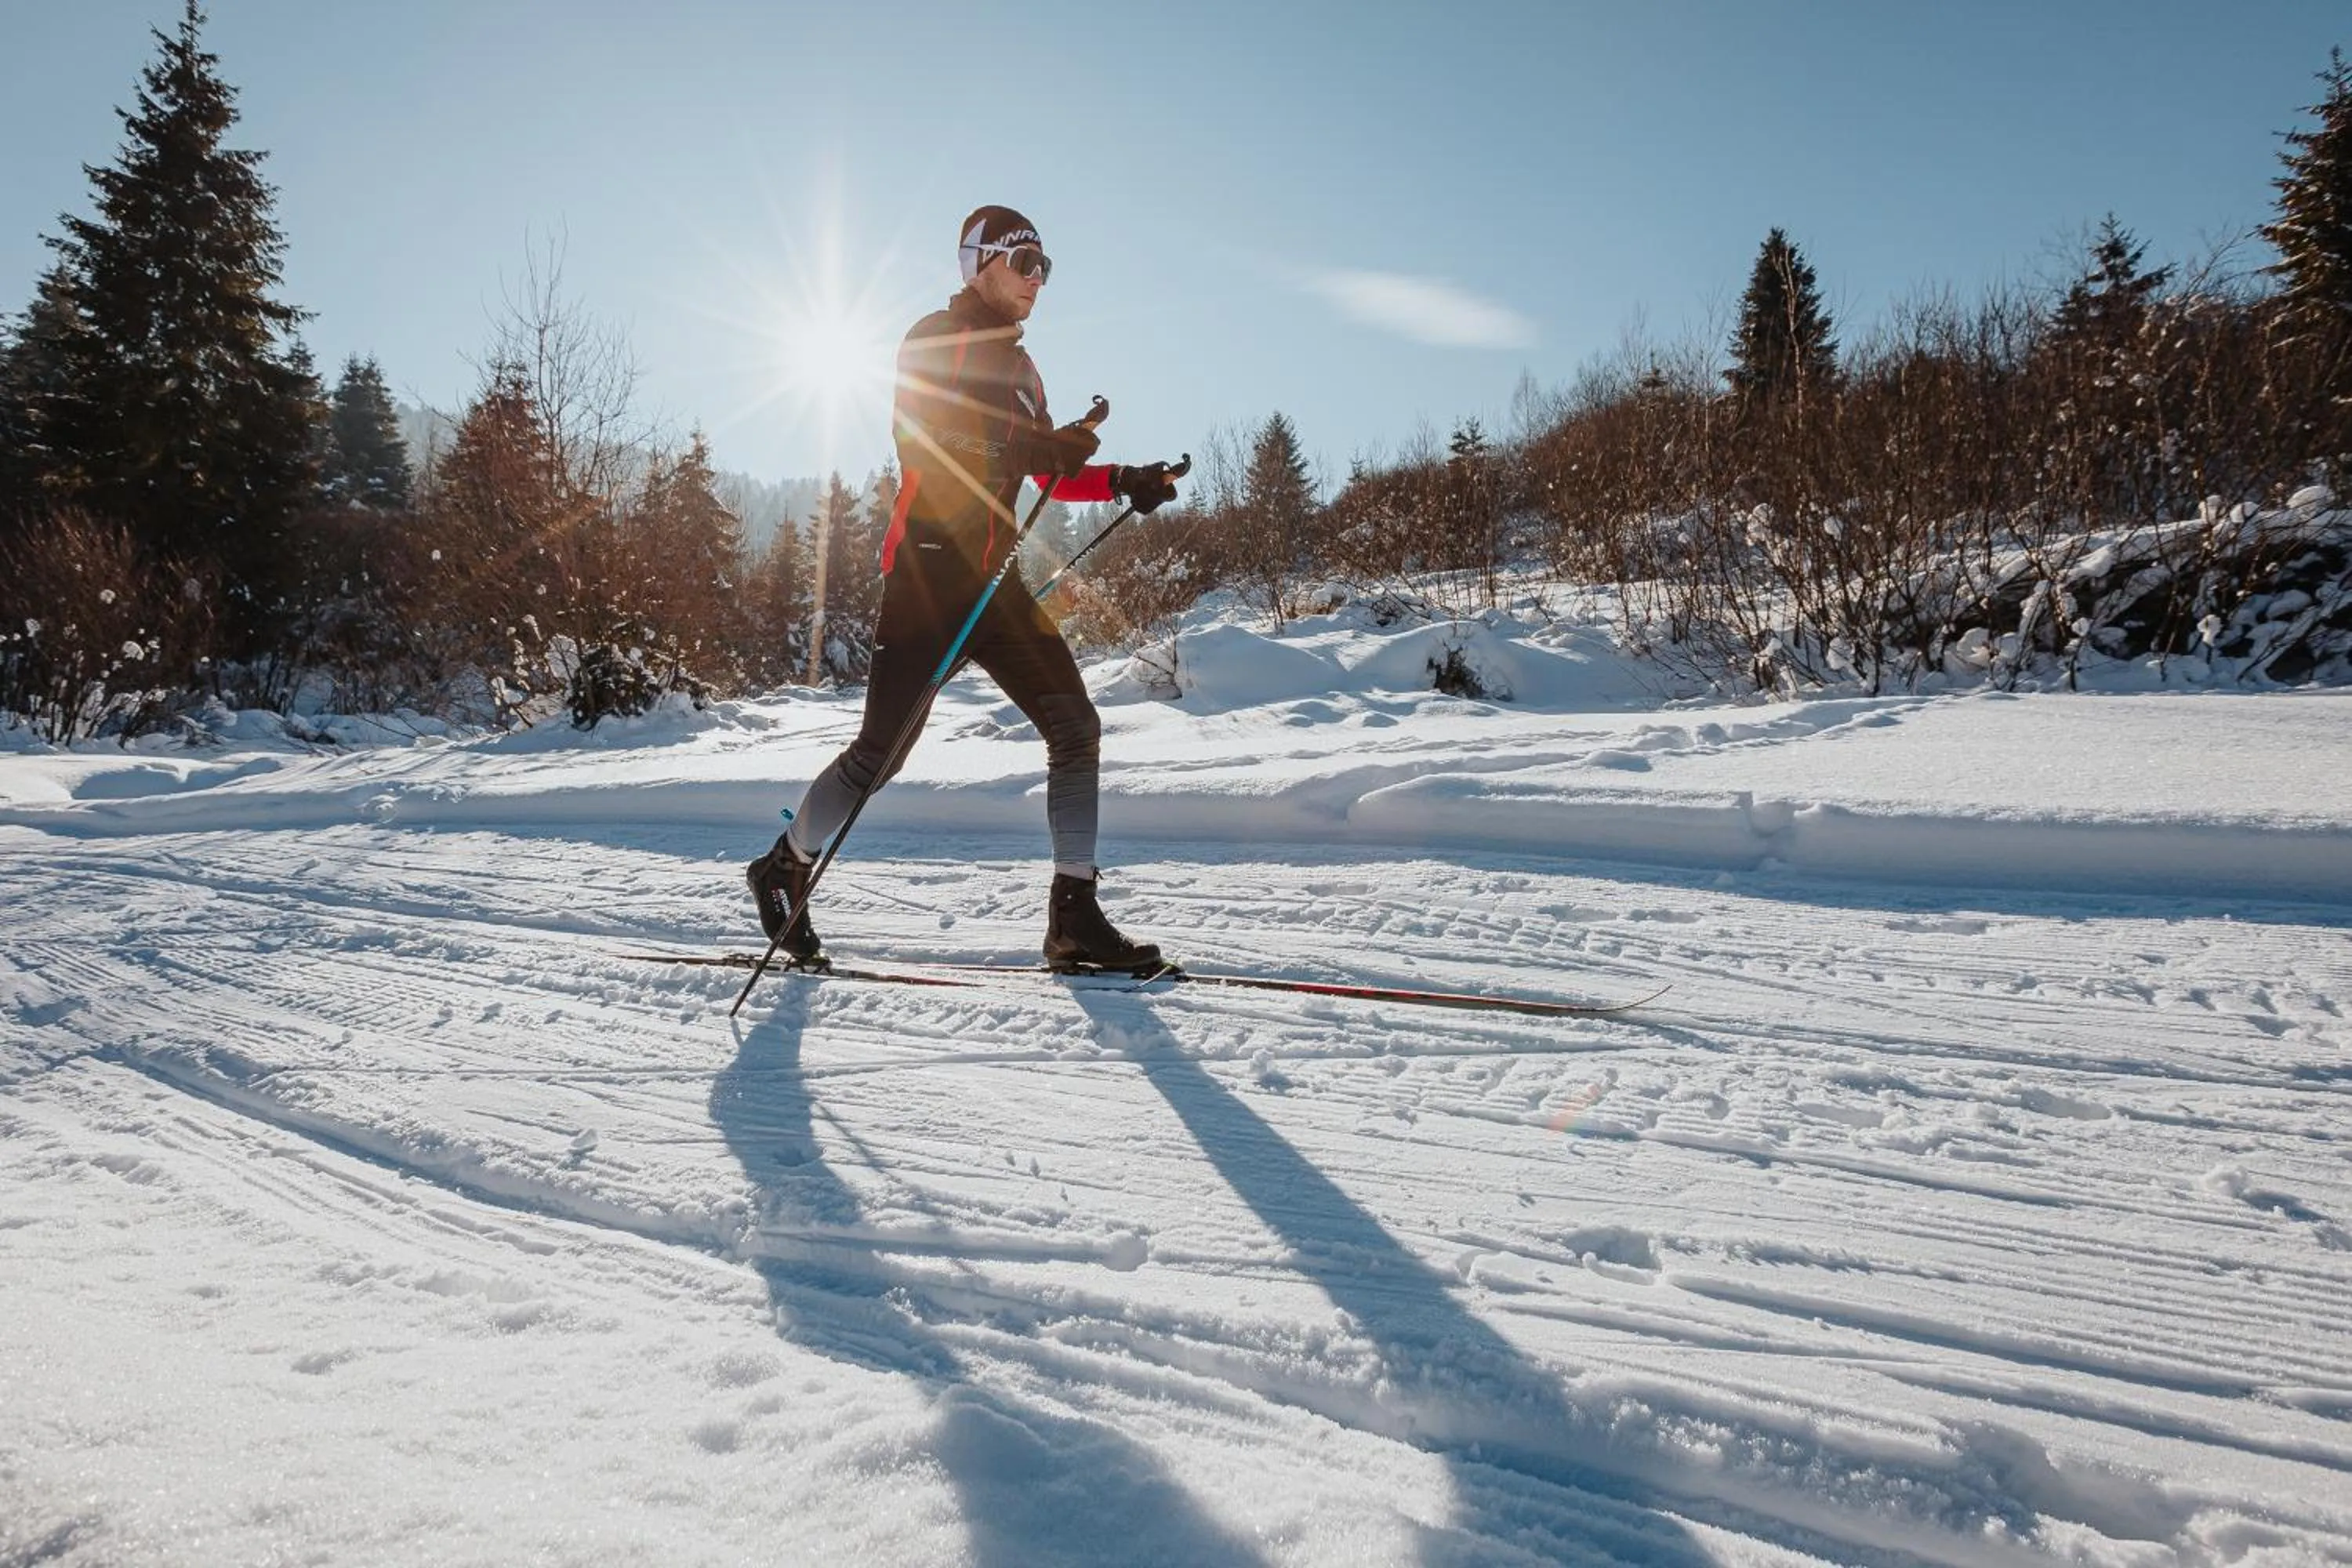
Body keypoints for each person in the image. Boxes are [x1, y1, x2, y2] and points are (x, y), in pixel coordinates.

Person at [747, 205, 1182, 971]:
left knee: (1076, 726)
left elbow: (1046, 468)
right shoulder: (932, 340)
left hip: (994, 579)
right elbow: (929, 432)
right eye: (1025, 262)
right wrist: (1035, 442)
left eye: (1047, 266)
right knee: (878, 755)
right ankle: (783, 863)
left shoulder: (1022, 370)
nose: (1038, 279)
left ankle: (1073, 917)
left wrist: (1121, 477)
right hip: (926, 573)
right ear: (979, 263)